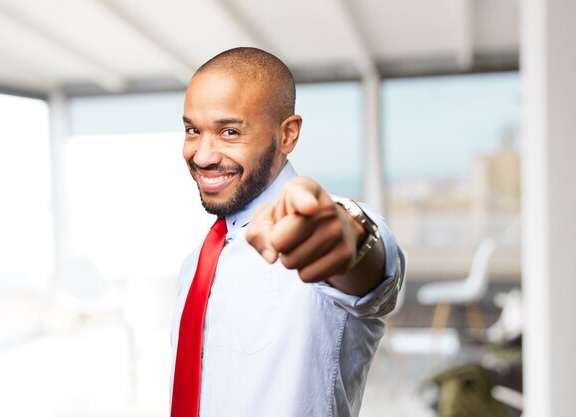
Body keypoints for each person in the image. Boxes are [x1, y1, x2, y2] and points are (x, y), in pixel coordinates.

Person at [170, 46, 405, 417]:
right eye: (193, 130)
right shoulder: (196, 263)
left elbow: (368, 267)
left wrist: (350, 240)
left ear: (288, 135)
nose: (202, 155)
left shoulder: (319, 225)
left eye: (229, 131)